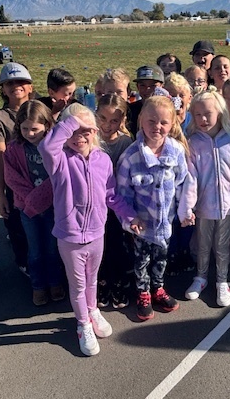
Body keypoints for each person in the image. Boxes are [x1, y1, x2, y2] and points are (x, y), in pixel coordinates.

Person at [39, 103, 140, 356]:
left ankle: (92, 311)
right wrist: (73, 121)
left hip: (97, 233)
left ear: (95, 132)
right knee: (78, 284)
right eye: (74, 131)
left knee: (92, 279)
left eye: (87, 131)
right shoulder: (59, 160)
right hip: (70, 236)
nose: (80, 136)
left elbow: (111, 195)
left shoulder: (103, 160)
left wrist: (130, 216)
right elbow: (46, 146)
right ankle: (82, 324)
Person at [117, 96, 189, 321]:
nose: (157, 127)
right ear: (140, 120)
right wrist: (130, 219)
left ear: (172, 124)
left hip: (165, 222)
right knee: (142, 260)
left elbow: (182, 181)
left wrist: (184, 210)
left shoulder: (176, 151)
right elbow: (123, 192)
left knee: (162, 257)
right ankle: (143, 293)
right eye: (151, 121)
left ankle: (158, 287)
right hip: (142, 223)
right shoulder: (130, 157)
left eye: (163, 123)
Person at [179, 91, 230, 307]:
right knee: (202, 244)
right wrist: (188, 207)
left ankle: (221, 280)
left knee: (223, 245)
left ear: (220, 112)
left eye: (207, 114)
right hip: (203, 208)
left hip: (227, 208)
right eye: (197, 115)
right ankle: (200, 277)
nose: (203, 119)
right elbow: (190, 179)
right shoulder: (192, 143)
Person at [3, 100, 66, 306]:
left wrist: (40, 197)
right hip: (27, 208)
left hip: (52, 207)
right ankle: (38, 285)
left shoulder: (56, 148)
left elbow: (59, 175)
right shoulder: (13, 149)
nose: (30, 133)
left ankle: (55, 282)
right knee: (35, 249)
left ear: (47, 126)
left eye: (35, 129)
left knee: (51, 247)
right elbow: (11, 178)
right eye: (25, 129)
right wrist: (31, 199)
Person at [0, 62, 33, 278]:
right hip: (15, 184)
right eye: (10, 83)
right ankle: (26, 266)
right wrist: (1, 194)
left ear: (30, 86)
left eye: (21, 81)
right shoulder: (1, 118)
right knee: (18, 228)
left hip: (42, 182)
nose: (16, 86)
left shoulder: (40, 110)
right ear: (3, 89)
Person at [95, 93, 134, 309]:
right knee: (98, 246)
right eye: (102, 118)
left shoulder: (126, 143)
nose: (107, 125)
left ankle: (118, 281)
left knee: (116, 245)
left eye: (114, 121)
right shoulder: (90, 139)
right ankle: (101, 282)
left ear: (122, 121)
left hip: (116, 205)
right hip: (93, 206)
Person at [128, 65, 165, 133]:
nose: (147, 89)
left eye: (153, 85)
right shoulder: (130, 110)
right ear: (137, 87)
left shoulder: (167, 110)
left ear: (162, 87)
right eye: (142, 85)